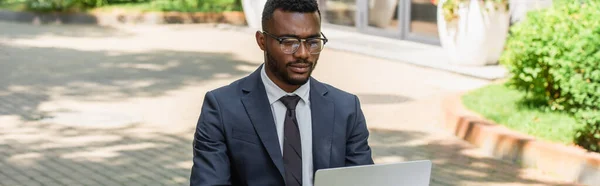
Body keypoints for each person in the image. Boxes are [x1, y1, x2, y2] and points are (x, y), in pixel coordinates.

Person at [190, 0, 374, 185]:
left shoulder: (346, 108)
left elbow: (363, 181)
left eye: (312, 41)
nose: (303, 53)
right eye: (289, 42)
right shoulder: (222, 108)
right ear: (262, 41)